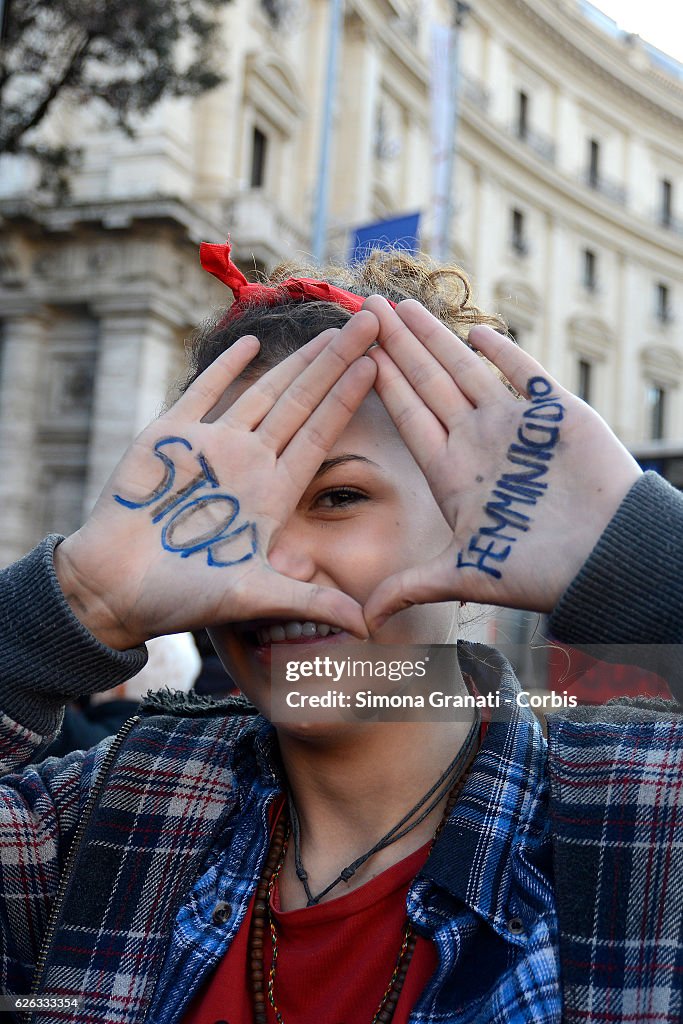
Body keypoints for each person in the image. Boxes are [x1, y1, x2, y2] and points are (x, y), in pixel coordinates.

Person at [1, 240, 682, 1024]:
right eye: (223, 513)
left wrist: (643, 563)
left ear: (467, 519)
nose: (274, 564)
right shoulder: (97, 821)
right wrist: (74, 603)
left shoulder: (636, 814)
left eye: (337, 498)